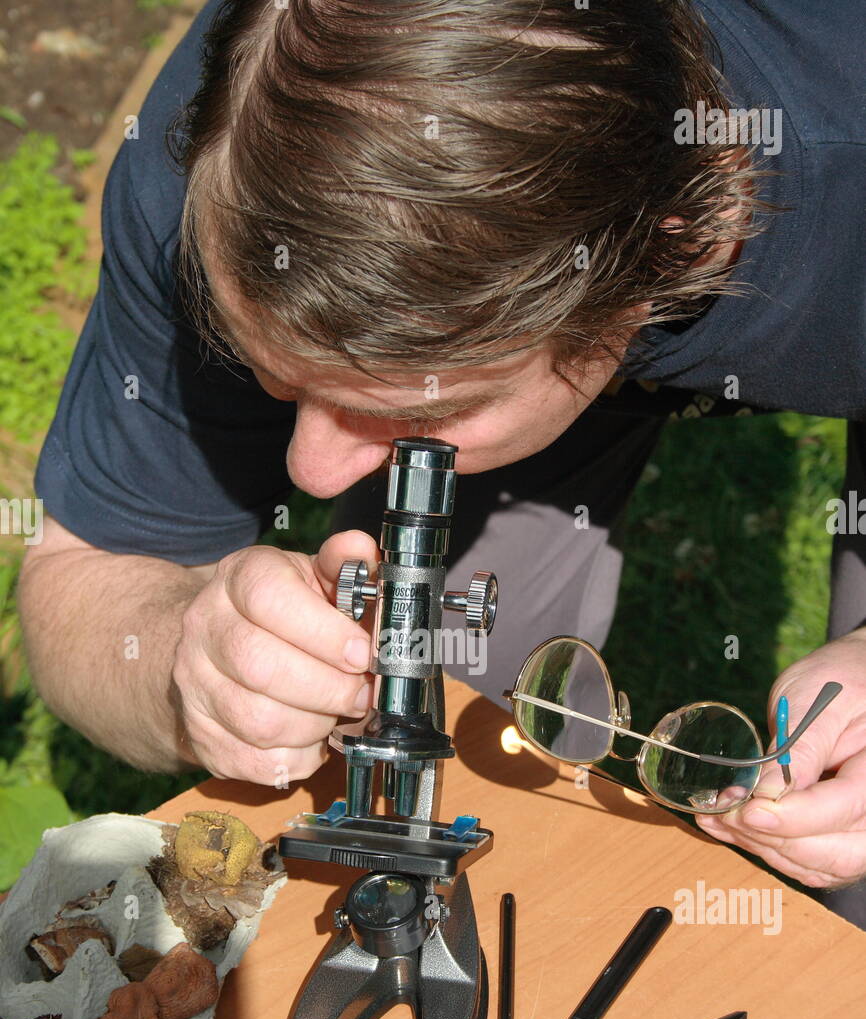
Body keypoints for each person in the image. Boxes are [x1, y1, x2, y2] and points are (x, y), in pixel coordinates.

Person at [19, 1, 866, 925]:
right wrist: (188, 665)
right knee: (446, 730)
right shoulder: (227, 149)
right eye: (274, 376)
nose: (313, 472)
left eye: (412, 410)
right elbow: (87, 568)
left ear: (679, 249)